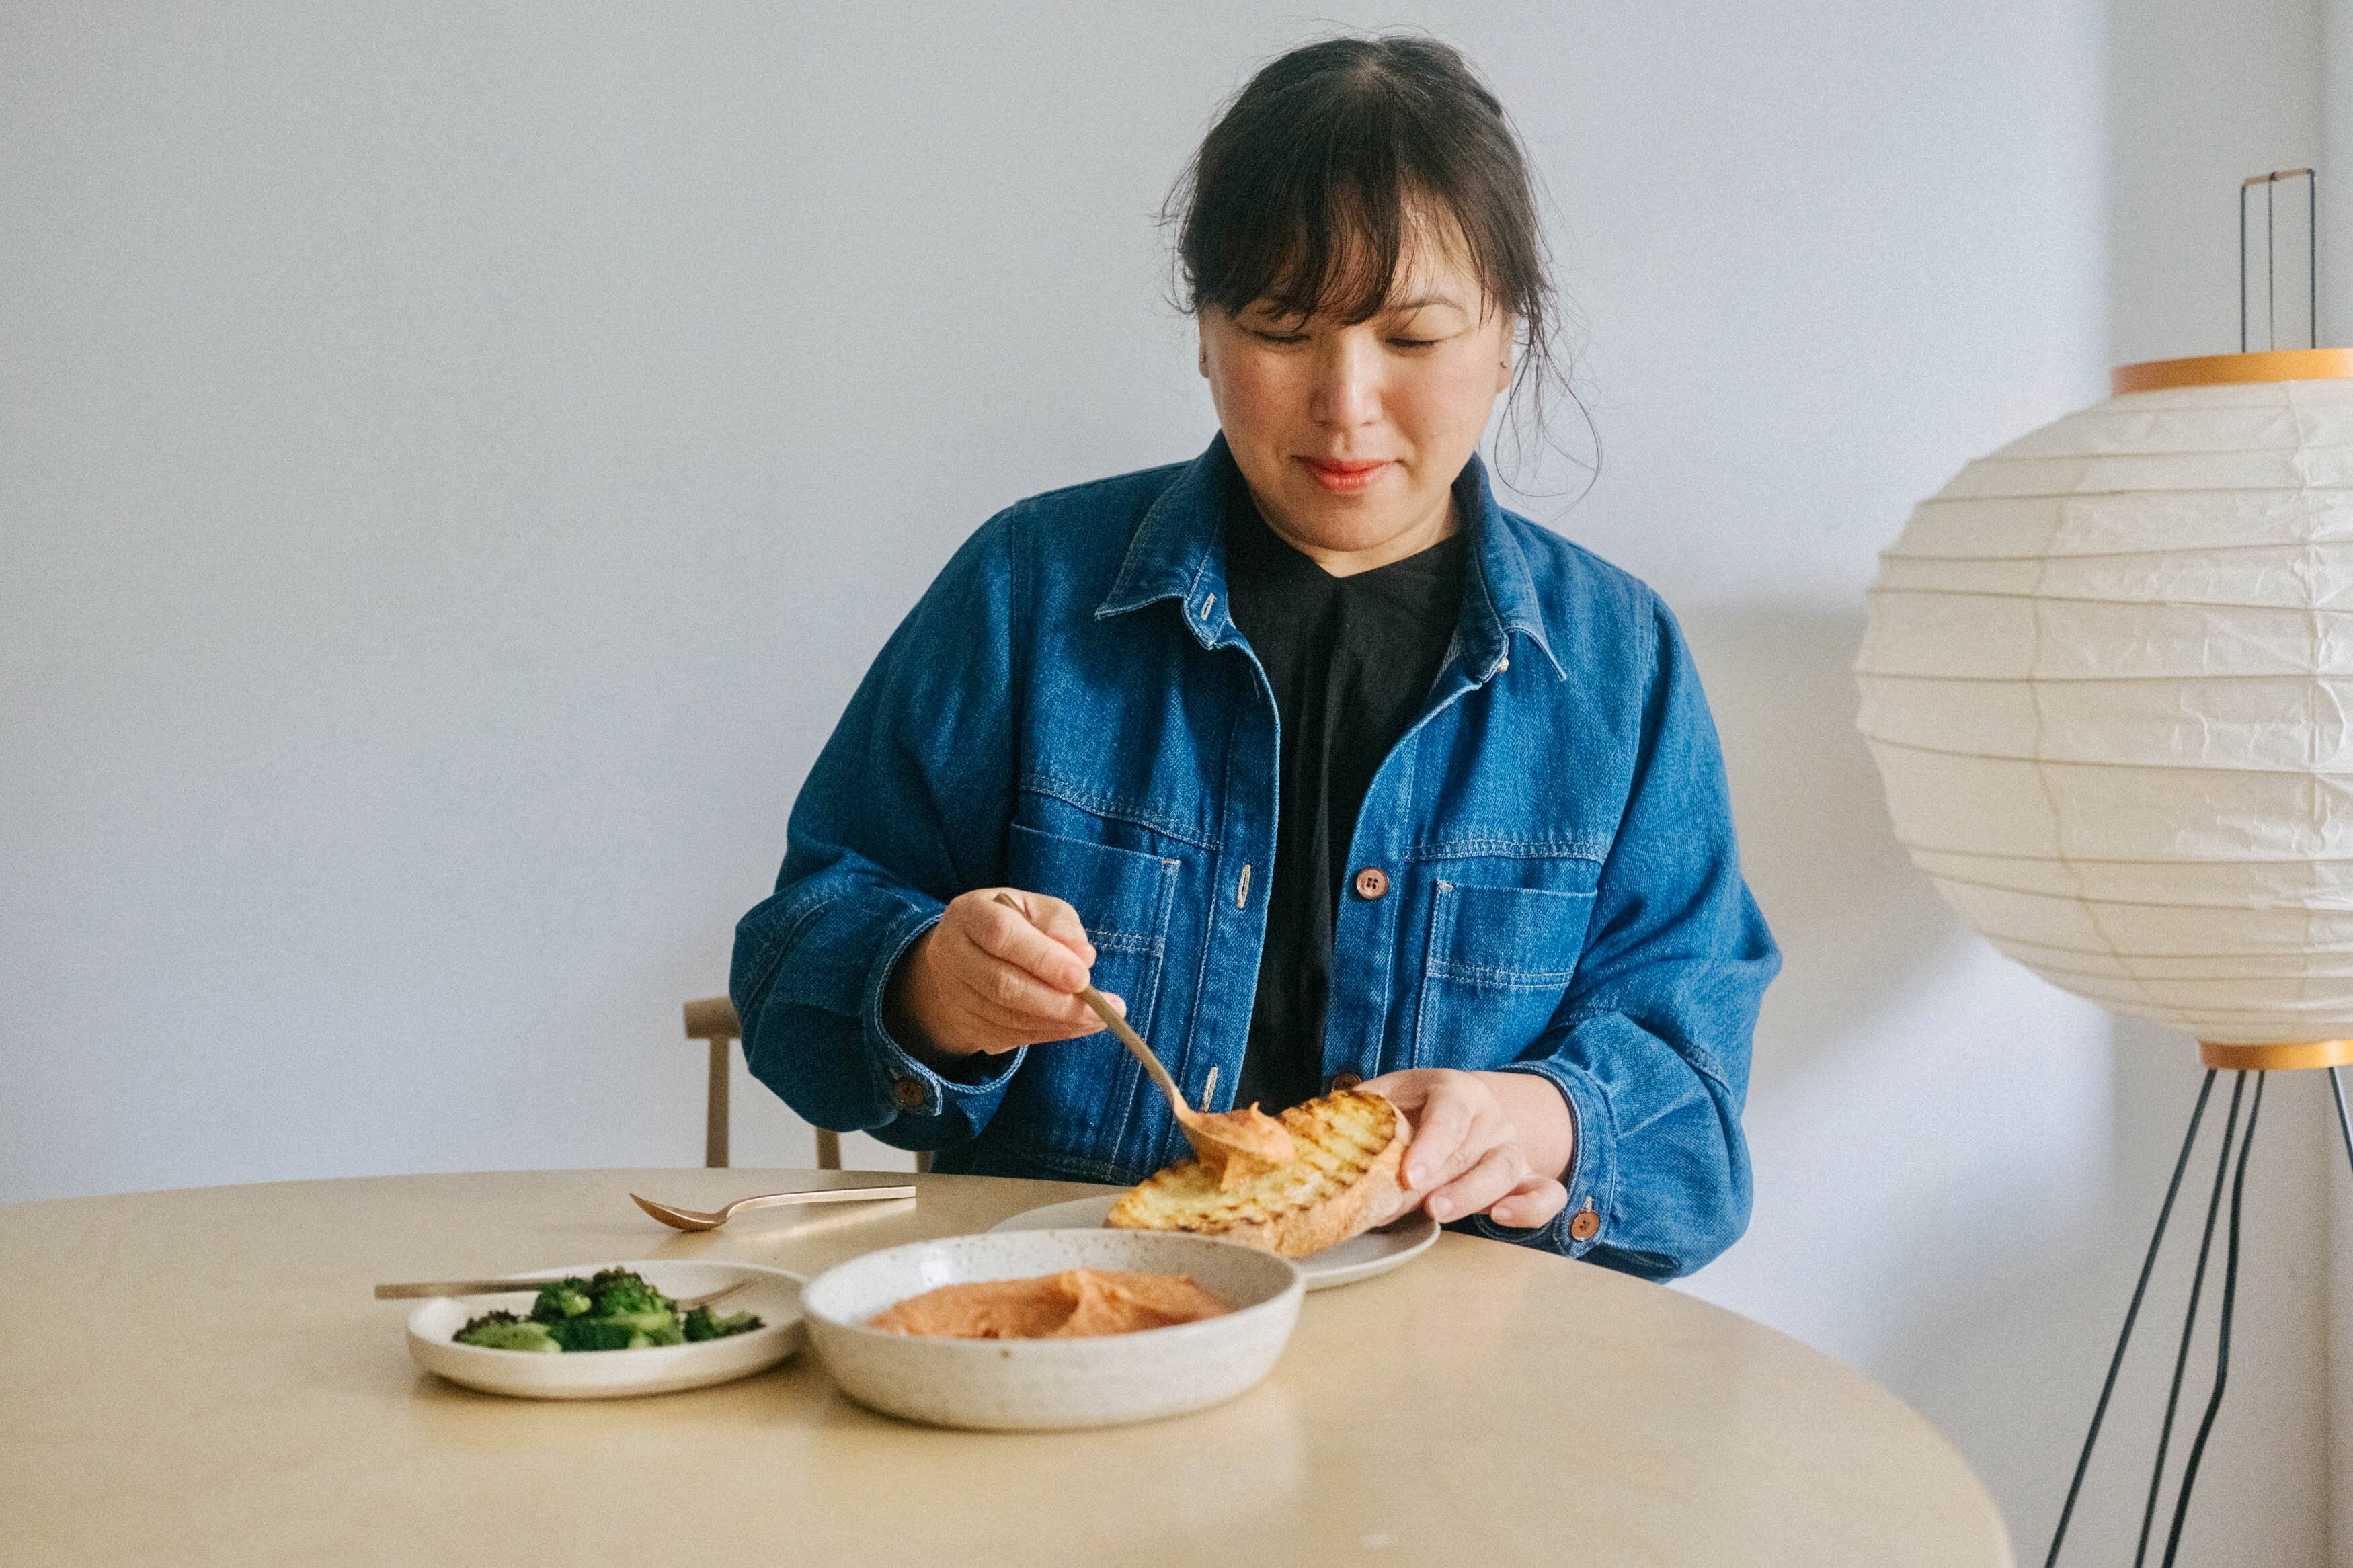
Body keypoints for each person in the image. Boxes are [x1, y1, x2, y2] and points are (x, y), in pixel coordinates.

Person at [732, 34, 1778, 1280]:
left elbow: (1697, 1129)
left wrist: (1545, 1117)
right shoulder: (1030, 590)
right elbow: (795, 958)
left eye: (1414, 336)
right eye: (1283, 327)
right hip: (1076, 1333)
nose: (1345, 402)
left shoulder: (1619, 667)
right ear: (1205, 331)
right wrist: (930, 990)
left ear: (1507, 335)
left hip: (1449, 1384)